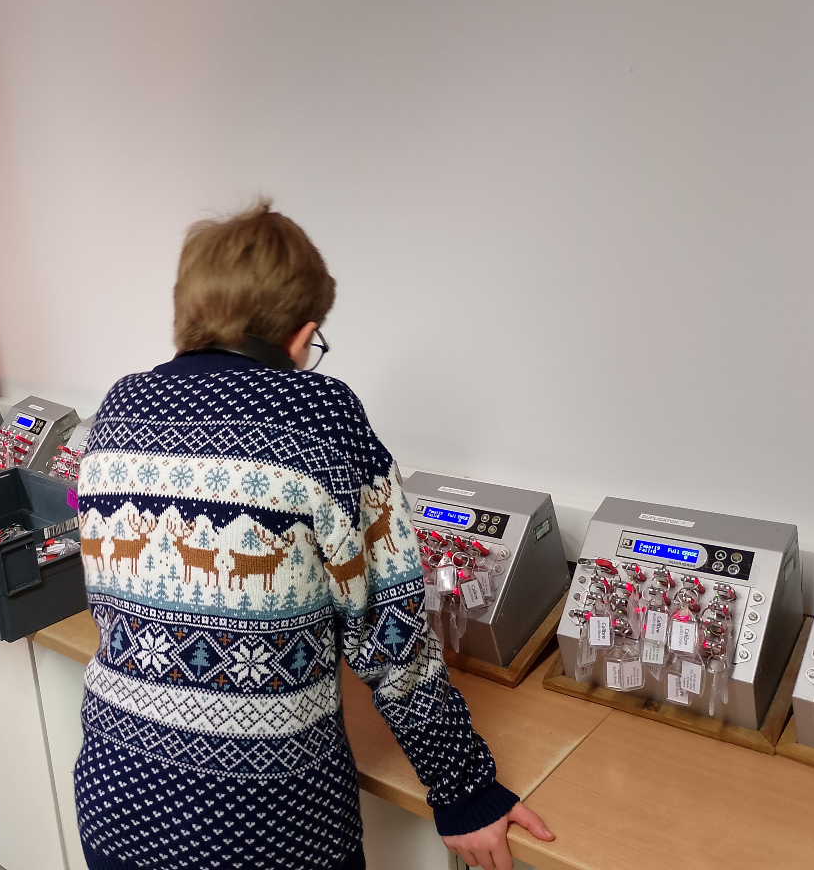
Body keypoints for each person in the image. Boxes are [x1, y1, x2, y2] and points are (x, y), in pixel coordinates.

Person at [73, 201, 554, 870]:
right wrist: (463, 789)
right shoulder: (319, 414)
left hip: (117, 800)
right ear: (300, 334)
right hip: (265, 828)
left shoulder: (118, 408)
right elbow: (391, 634)